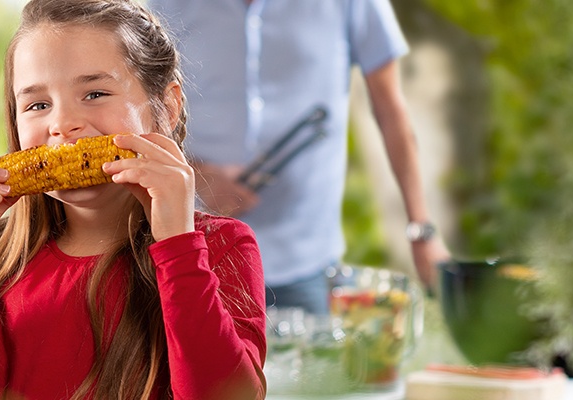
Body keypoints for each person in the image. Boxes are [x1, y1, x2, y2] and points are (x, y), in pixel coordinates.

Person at [0, 0, 267, 399]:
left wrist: (177, 245)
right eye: (37, 105)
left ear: (167, 108)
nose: (62, 124)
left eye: (95, 93)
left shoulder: (219, 246)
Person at [147, 0, 451, 314]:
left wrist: (421, 229)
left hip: (305, 259)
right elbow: (142, 113)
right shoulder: (165, 5)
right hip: (198, 252)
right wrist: (199, 177)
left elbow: (392, 112)